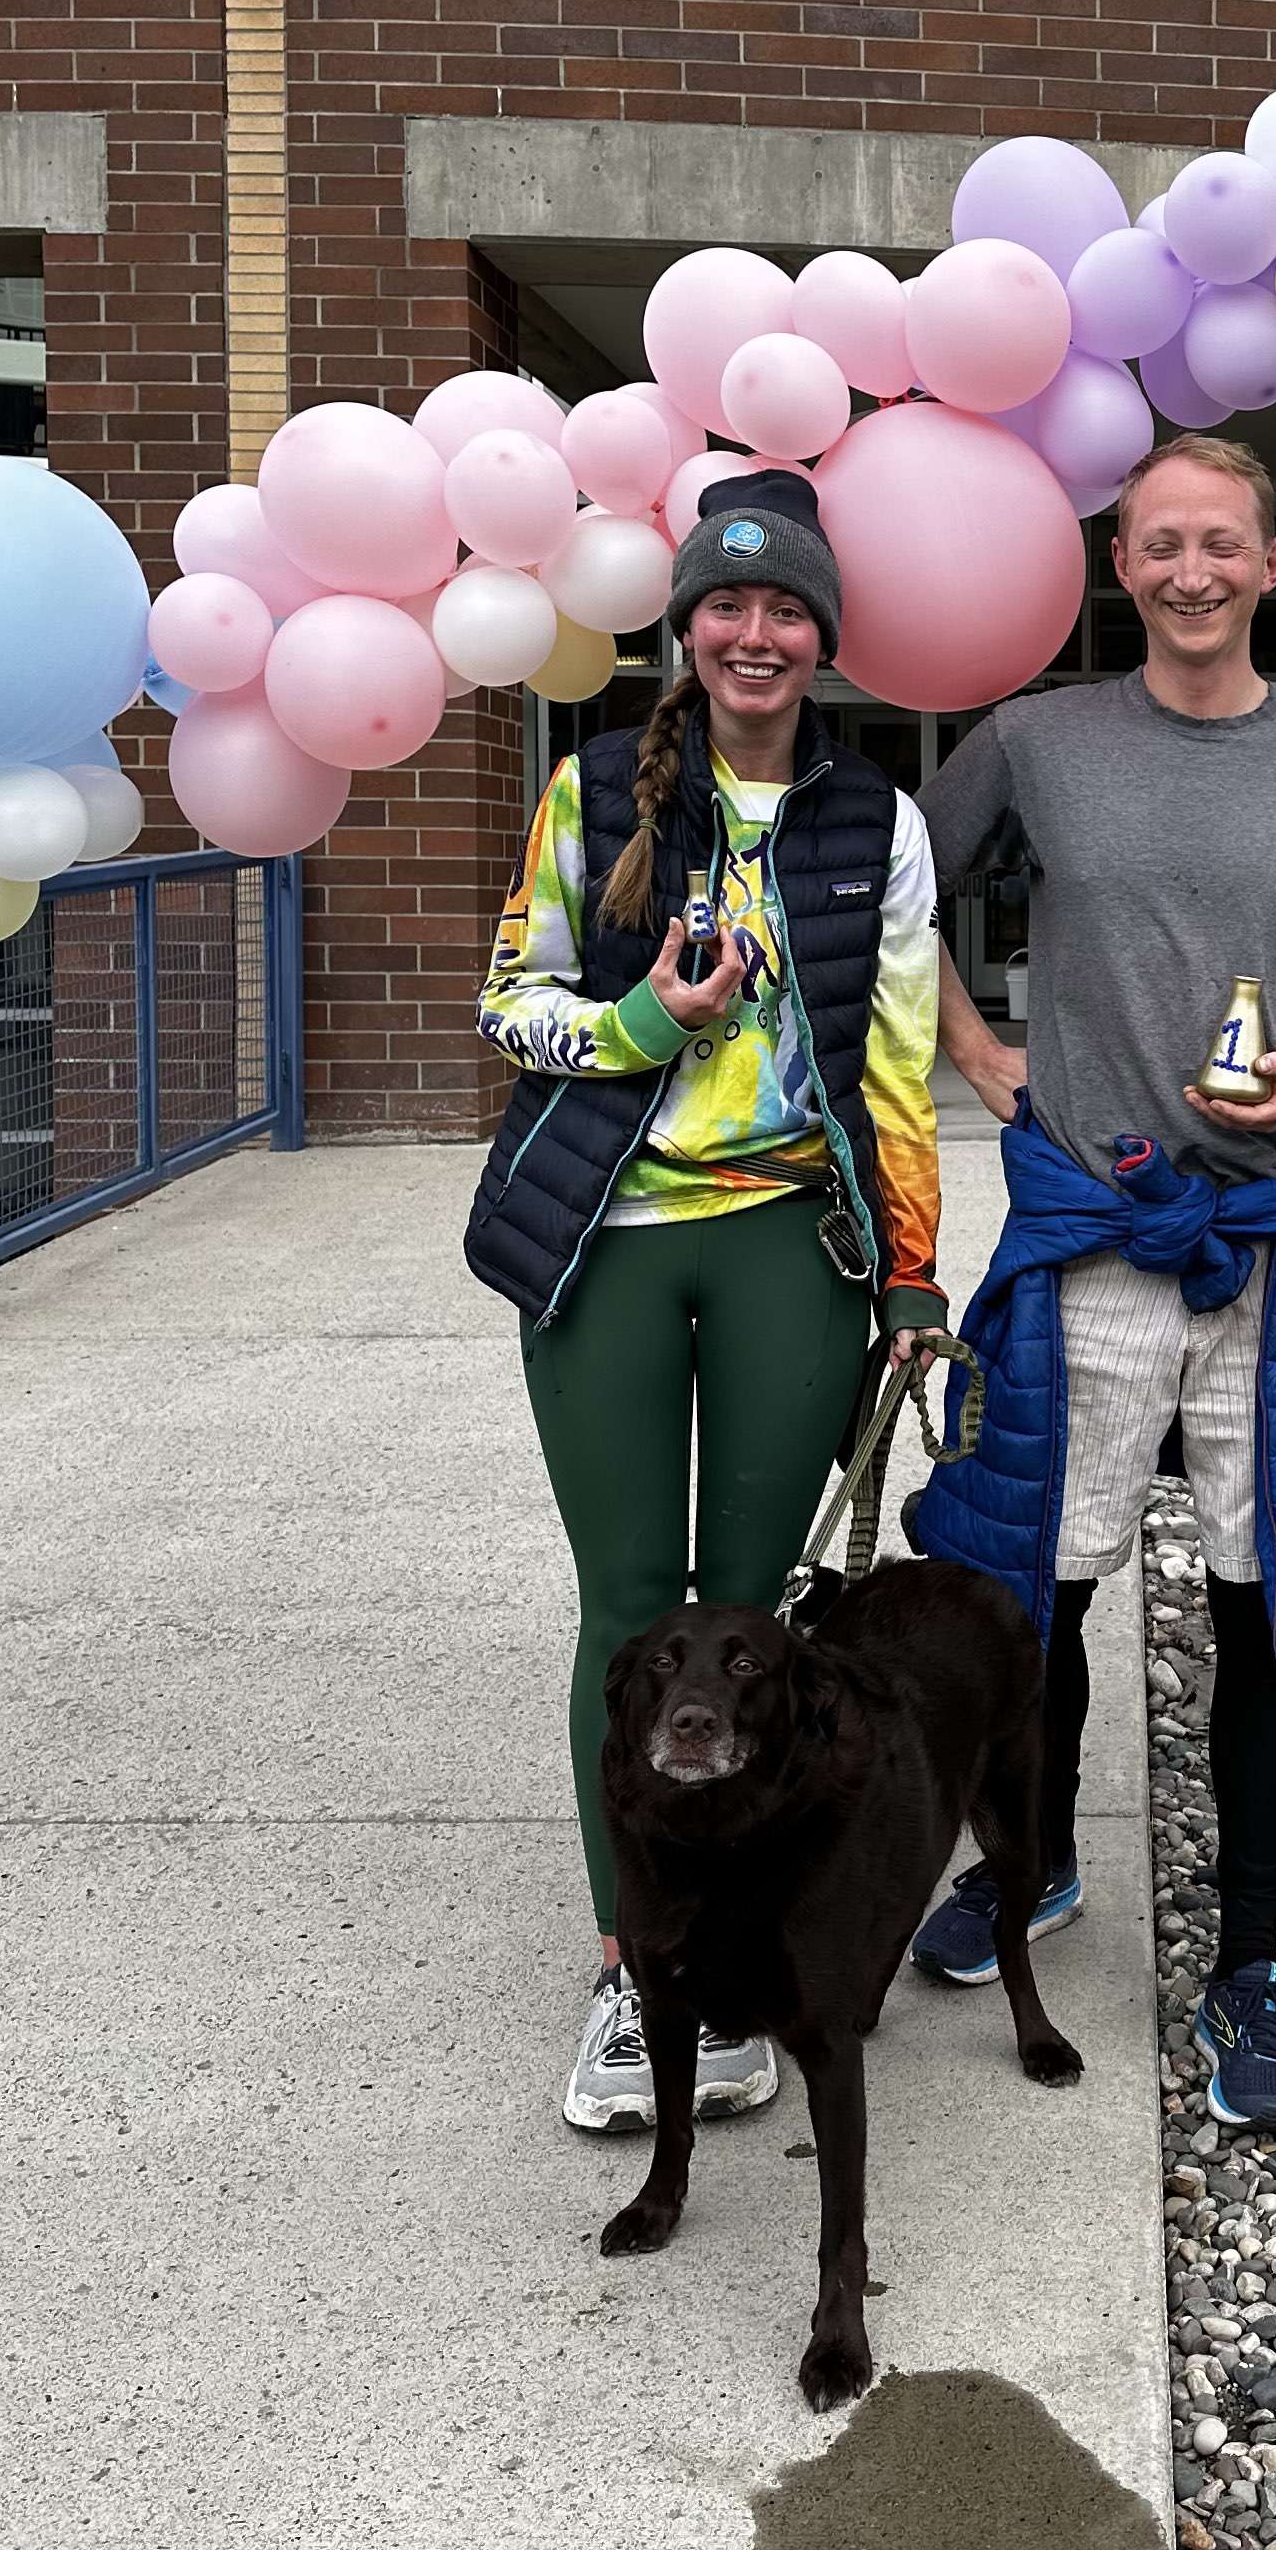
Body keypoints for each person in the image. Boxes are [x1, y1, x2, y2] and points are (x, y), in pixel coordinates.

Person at [908, 434, 1276, 2140]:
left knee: (1261, 1599)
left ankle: (1250, 1958)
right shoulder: (1035, 743)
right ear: (1116, 567)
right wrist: (976, 1052)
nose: (1189, 572)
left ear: (1272, 562)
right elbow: (897, 908)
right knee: (1035, 1587)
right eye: (1156, 546)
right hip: (1092, 1238)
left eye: (1221, 545)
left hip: (1271, 1239)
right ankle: (1035, 1865)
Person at [466, 468, 946, 2136]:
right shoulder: (597, 789)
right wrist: (641, 1031)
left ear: (824, 636)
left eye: (787, 607)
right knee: (629, 1612)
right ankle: (636, 1959)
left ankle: (747, 1947)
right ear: (685, 628)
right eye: (726, 606)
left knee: (747, 1617)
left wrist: (907, 1270)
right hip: (603, 1234)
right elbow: (509, 1002)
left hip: (779, 1247)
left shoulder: (878, 821)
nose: (756, 632)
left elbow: (896, 1071)